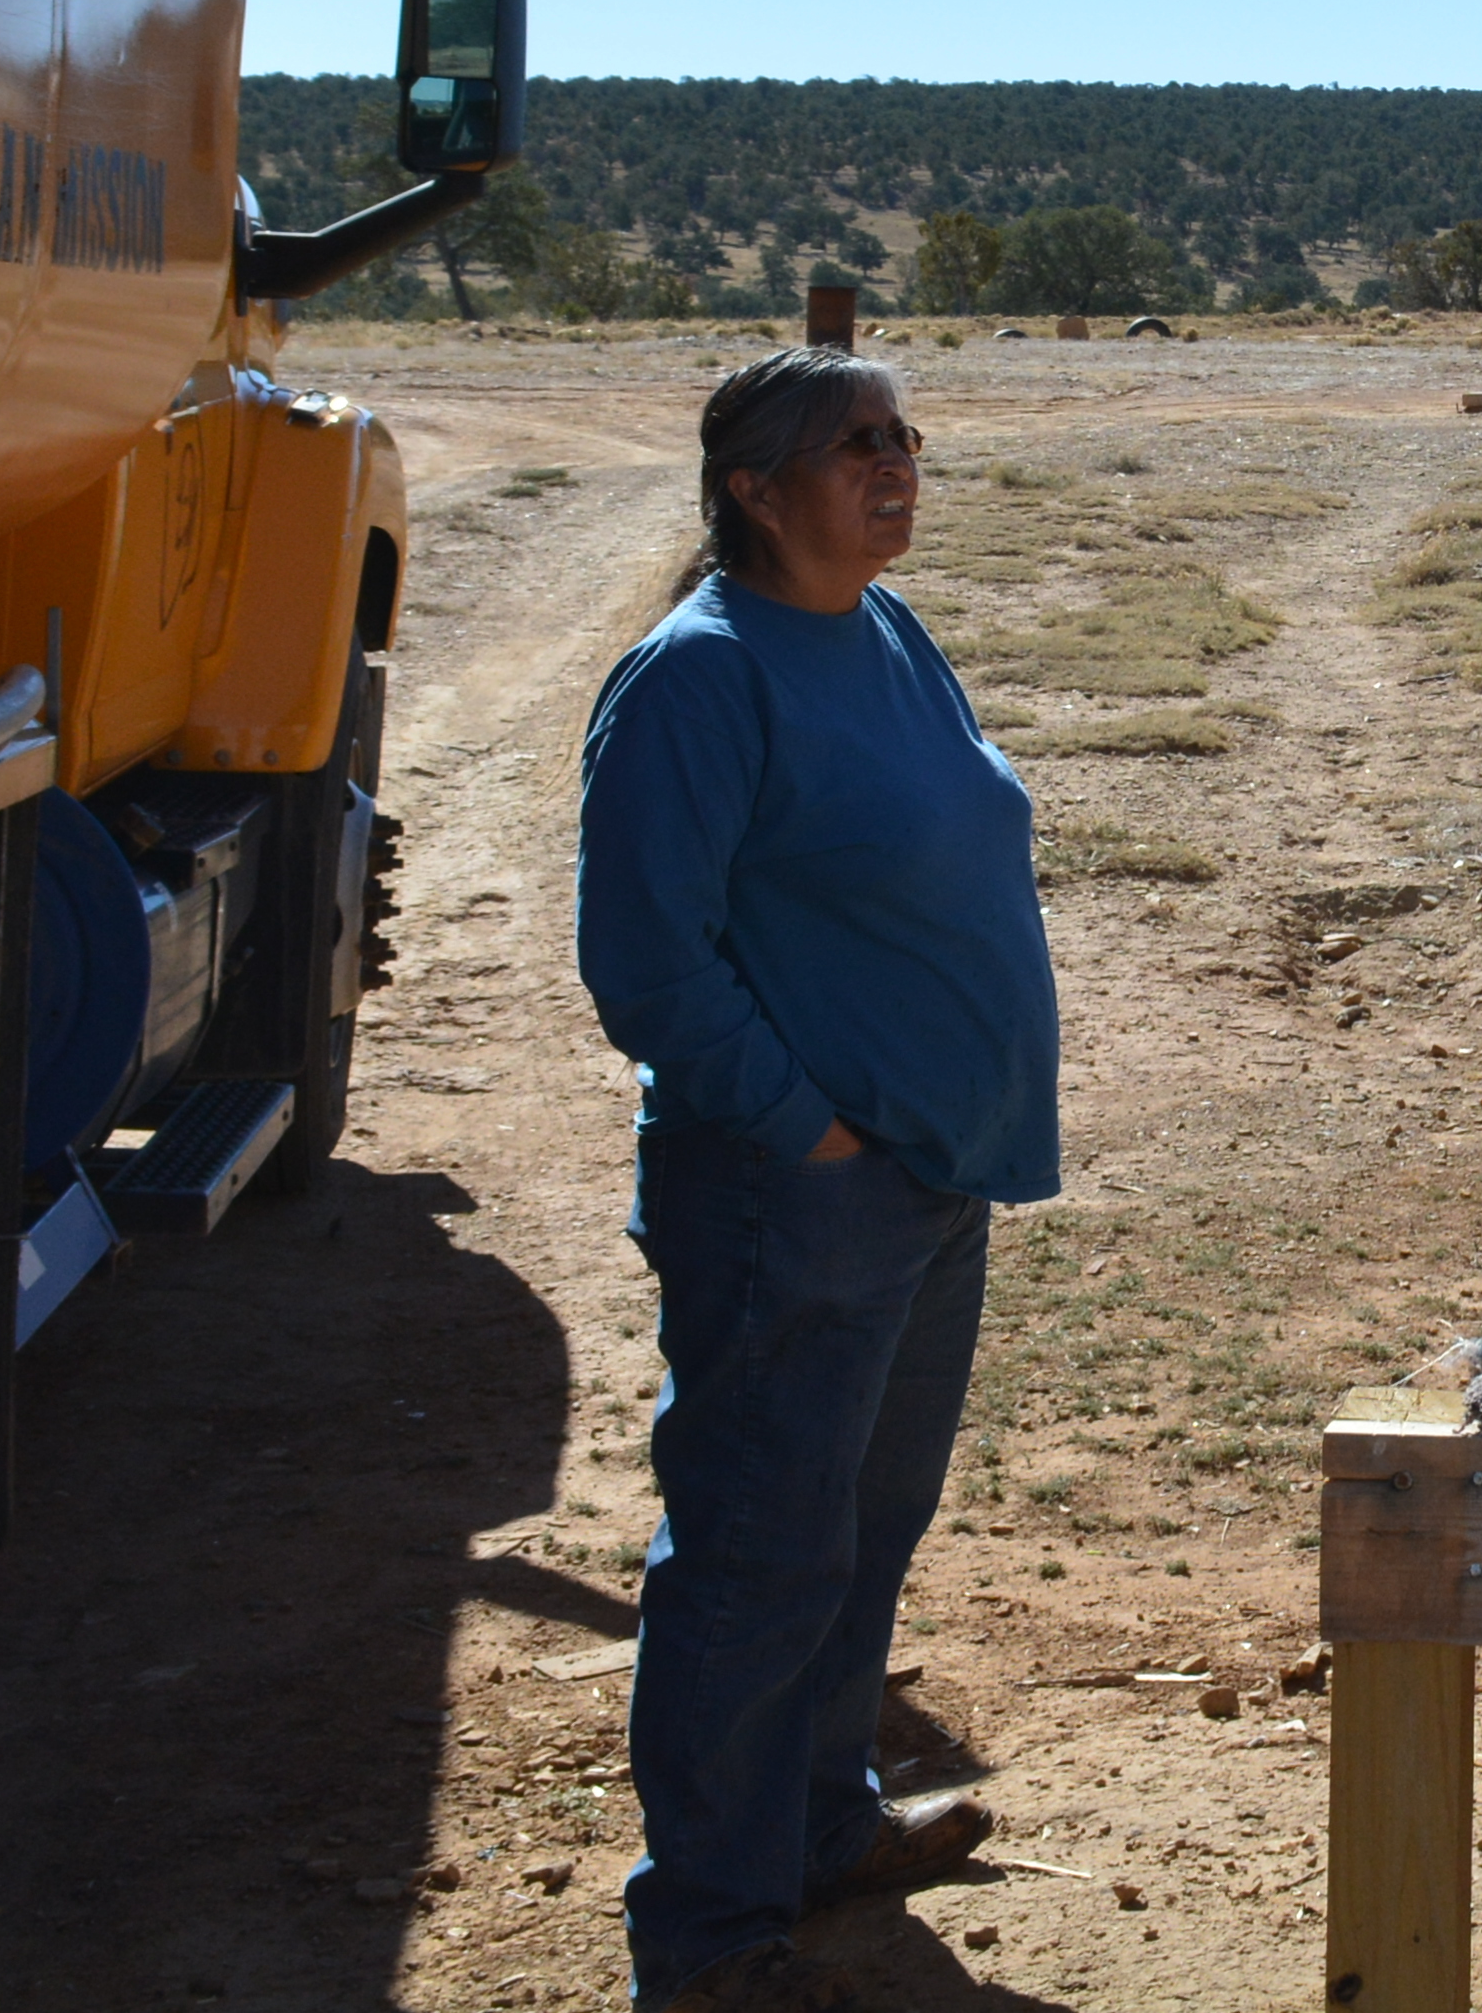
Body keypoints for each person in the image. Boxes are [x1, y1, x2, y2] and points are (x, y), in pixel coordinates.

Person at [577, 349, 1059, 2009]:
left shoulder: (883, 631)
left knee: (864, 1523)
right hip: (798, 1195)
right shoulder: (698, 680)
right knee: (758, 1553)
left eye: (904, 434)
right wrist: (810, 1126)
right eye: (856, 443)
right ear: (751, 489)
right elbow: (649, 964)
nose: (896, 462)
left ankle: (820, 1827)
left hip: (924, 1180)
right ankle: (709, 1938)